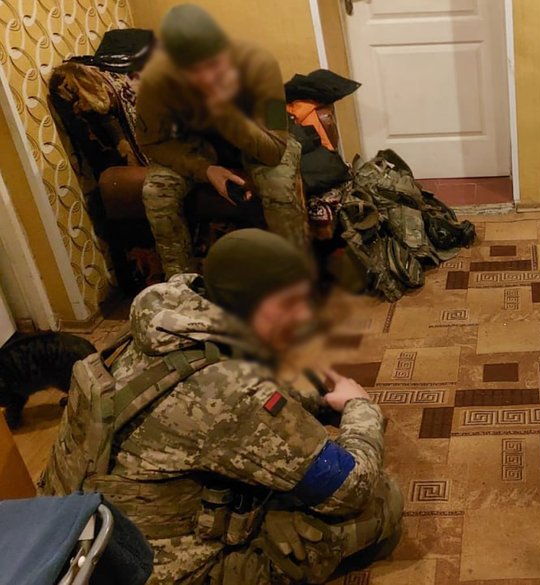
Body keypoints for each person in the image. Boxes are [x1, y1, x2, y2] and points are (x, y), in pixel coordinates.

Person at [45, 229, 402, 584]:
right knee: (381, 501)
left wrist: (311, 397)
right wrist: (359, 406)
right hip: (153, 569)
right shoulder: (233, 392)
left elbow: (231, 394)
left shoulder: (164, 325)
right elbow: (349, 489)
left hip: (80, 540)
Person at [137, 4, 308, 277]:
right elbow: (152, 143)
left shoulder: (262, 67)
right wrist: (204, 170)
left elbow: (275, 149)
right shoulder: (156, 81)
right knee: (155, 192)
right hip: (195, 149)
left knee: (278, 187)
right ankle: (181, 283)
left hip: (260, 141)